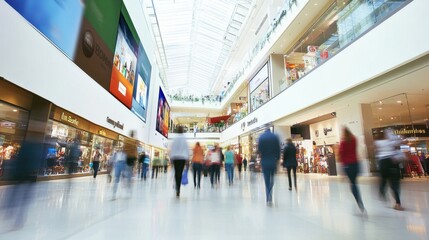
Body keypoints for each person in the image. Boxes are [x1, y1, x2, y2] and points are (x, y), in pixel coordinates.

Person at [375, 129, 404, 211]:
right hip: (392, 161)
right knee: (394, 183)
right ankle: (398, 203)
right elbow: (398, 145)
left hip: (383, 162)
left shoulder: (378, 142)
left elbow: (377, 151)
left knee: (384, 179)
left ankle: (382, 192)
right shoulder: (391, 141)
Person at [339, 127, 366, 214]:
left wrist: (342, 171)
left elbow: (342, 155)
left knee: (353, 184)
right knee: (354, 183)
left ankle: (359, 202)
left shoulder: (343, 142)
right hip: (356, 164)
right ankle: (358, 200)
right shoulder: (354, 139)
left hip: (348, 165)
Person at [257, 128, 280, 206]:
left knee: (266, 179)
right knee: (272, 178)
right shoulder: (275, 137)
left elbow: (259, 150)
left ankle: (268, 197)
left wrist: (260, 159)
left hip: (264, 161)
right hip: (273, 161)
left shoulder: (261, 137)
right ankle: (270, 191)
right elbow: (278, 150)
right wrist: (278, 160)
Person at [169, 126, 189, 197]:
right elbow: (187, 149)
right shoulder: (184, 139)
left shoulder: (175, 139)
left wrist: (171, 158)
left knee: (176, 172)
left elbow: (172, 149)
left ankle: (176, 186)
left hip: (175, 158)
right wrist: (187, 159)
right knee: (180, 173)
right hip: (182, 158)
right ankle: (178, 188)